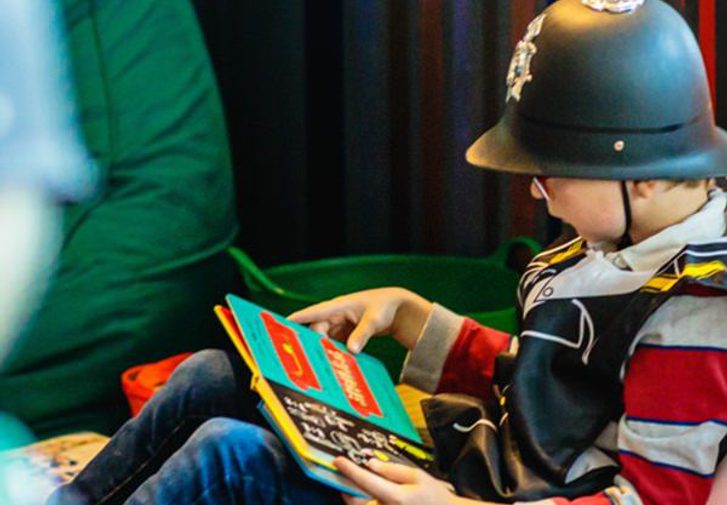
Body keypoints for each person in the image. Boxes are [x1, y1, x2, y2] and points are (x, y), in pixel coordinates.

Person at [48, 0, 727, 503]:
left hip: (479, 495)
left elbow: (651, 499)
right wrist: (412, 317)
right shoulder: (618, 236)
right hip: (482, 461)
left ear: (641, 175)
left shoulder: (689, 317)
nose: (536, 192)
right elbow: (552, 385)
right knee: (210, 375)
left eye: (551, 175)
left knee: (229, 454)